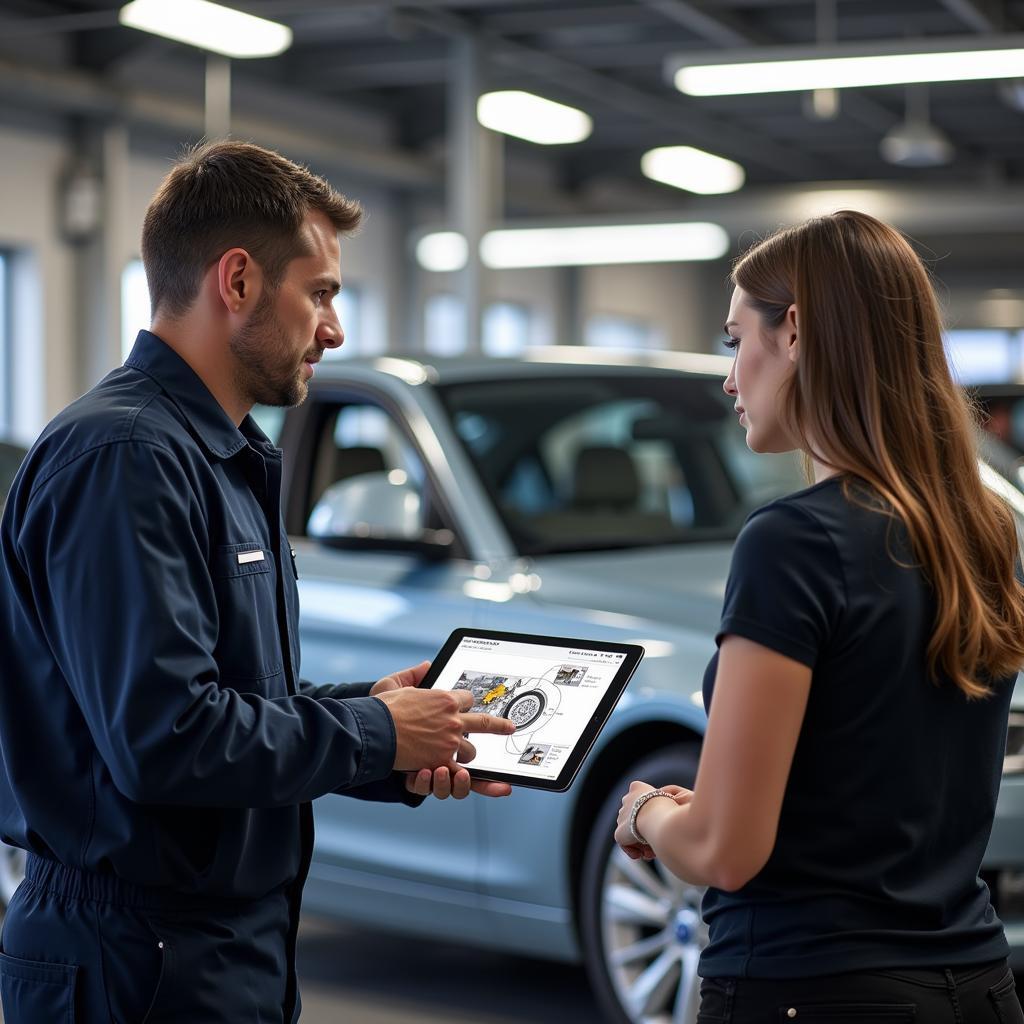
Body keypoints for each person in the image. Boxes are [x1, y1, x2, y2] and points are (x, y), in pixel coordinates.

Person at [0, 140, 515, 1023]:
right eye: (319, 294)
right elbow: (164, 737)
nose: (335, 329)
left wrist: (385, 720)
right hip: (131, 958)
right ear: (236, 281)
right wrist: (370, 733)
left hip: (220, 946)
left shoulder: (222, 457)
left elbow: (225, 696)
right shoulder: (125, 458)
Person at [614, 210, 1024, 1023]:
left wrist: (648, 812)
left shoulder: (791, 541)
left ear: (794, 331)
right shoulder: (979, 528)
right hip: (975, 985)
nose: (730, 379)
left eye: (736, 341)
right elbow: (864, 789)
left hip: (813, 988)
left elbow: (726, 853)